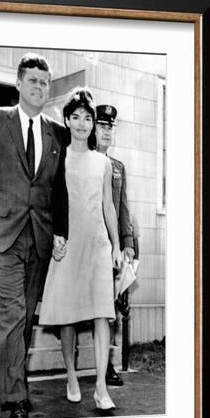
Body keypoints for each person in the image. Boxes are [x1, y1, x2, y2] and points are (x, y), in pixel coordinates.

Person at [0, 53, 68, 418]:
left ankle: (15, 379)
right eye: (33, 81)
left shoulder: (57, 133)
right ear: (19, 84)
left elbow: (58, 190)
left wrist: (60, 232)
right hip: (3, 233)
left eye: (44, 82)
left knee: (24, 318)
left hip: (39, 236)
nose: (39, 87)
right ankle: (12, 396)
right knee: (12, 312)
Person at [39, 87, 121, 411]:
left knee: (103, 313)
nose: (83, 124)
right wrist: (56, 236)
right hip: (69, 245)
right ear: (68, 120)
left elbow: (108, 206)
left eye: (88, 118)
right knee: (69, 315)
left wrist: (115, 245)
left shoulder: (102, 162)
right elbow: (50, 202)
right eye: (76, 117)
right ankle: (72, 375)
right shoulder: (58, 157)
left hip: (98, 244)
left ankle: (100, 387)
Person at [95, 104, 134, 387]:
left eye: (110, 127)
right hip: (84, 247)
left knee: (110, 310)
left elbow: (122, 209)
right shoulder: (79, 159)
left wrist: (128, 245)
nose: (106, 132)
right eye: (101, 126)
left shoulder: (117, 167)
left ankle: (108, 364)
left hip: (110, 251)